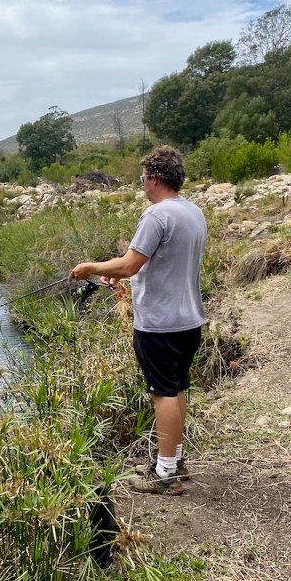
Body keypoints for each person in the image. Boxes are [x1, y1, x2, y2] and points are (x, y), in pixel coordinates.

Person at [68, 145, 206, 495]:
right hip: (189, 320)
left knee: (163, 394)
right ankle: (174, 461)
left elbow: (129, 263)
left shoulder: (157, 216)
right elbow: (154, 264)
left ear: (155, 179)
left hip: (160, 324)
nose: (142, 185)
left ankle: (164, 475)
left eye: (143, 179)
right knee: (177, 390)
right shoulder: (193, 212)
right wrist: (123, 274)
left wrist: (91, 268)